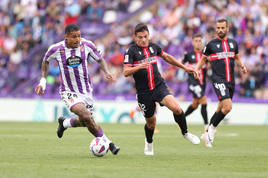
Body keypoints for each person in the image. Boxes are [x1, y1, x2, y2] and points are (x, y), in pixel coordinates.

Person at [35, 24, 120, 155]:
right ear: (66, 37)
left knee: (85, 122)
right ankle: (109, 143)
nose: (77, 39)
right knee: (86, 115)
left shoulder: (87, 45)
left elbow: (100, 59)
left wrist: (107, 71)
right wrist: (43, 81)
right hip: (68, 91)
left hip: (86, 91)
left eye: (79, 36)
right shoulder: (57, 49)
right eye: (74, 36)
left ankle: (65, 123)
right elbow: (45, 61)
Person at [123, 23, 200, 156]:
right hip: (144, 92)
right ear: (135, 37)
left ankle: (185, 133)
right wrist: (139, 67)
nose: (143, 40)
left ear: (149, 35)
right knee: (151, 123)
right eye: (140, 37)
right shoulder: (131, 51)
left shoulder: (153, 47)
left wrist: (184, 67)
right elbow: (125, 72)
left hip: (159, 87)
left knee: (176, 108)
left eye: (145, 36)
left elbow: (167, 57)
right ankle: (149, 142)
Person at [195, 19, 247, 148]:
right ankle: (211, 129)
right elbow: (203, 59)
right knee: (228, 107)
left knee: (221, 107)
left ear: (227, 28)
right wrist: (196, 69)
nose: (220, 30)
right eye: (218, 28)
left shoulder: (233, 43)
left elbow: (236, 57)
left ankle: (207, 133)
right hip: (218, 79)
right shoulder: (211, 44)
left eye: (222, 28)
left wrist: (242, 66)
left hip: (231, 81)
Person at [182, 33, 209, 130]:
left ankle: (181, 118)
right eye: (196, 41)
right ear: (193, 42)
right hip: (193, 82)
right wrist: (187, 69)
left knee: (195, 104)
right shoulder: (188, 55)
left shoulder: (205, 55)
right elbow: (181, 65)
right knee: (204, 101)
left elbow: (208, 66)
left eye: (200, 41)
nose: (198, 43)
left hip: (202, 83)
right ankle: (207, 126)